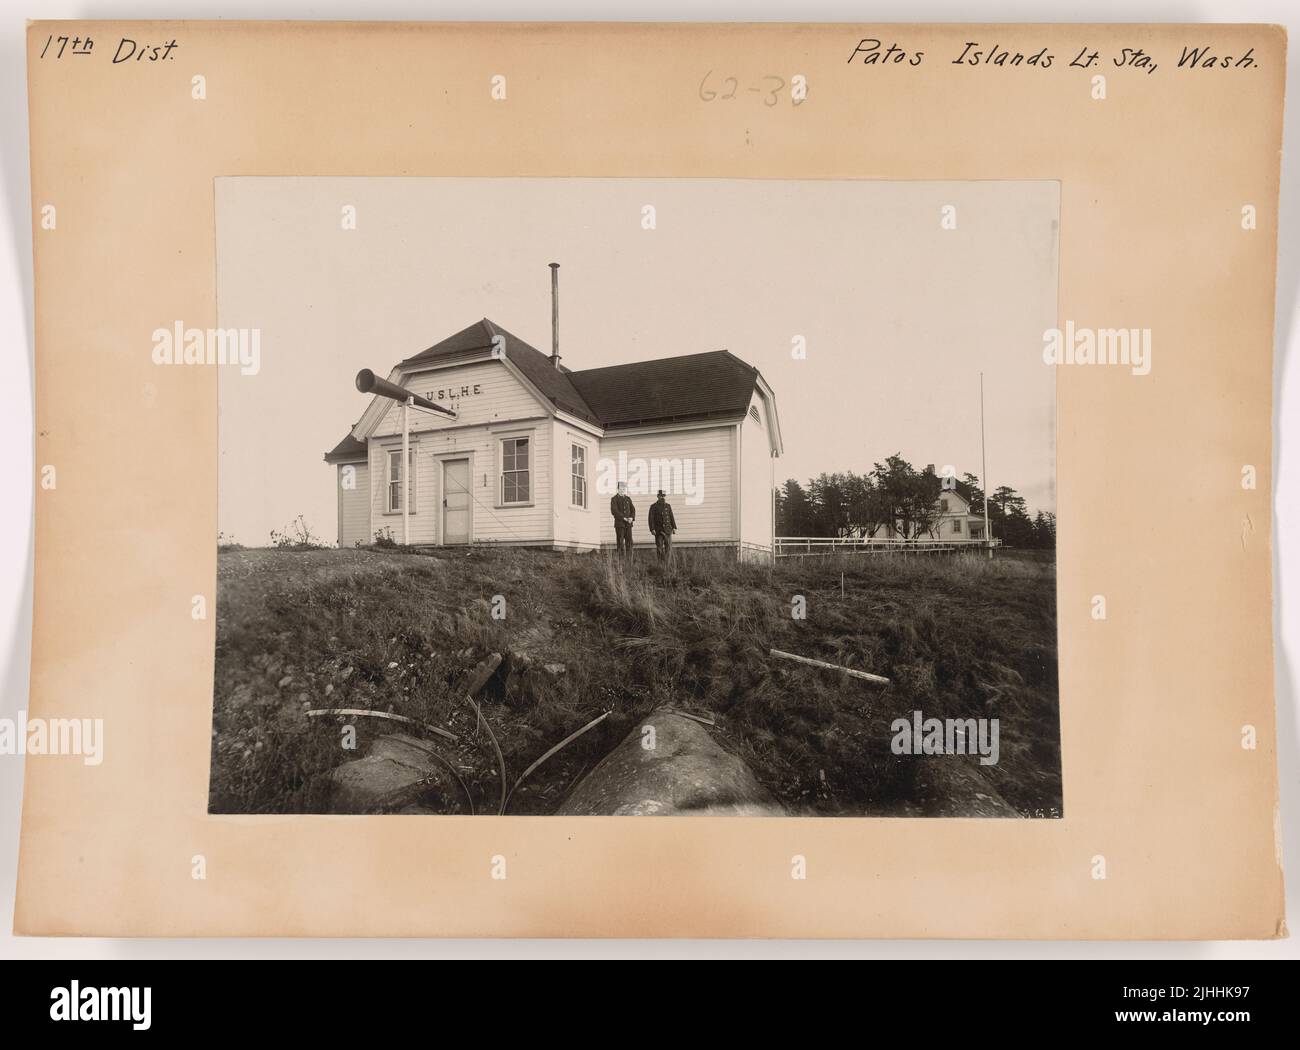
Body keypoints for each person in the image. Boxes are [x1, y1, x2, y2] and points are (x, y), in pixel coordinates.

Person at [648, 489, 677, 563]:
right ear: (658, 496)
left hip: (668, 530)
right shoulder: (653, 506)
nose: (662, 497)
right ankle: (661, 564)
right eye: (661, 496)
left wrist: (673, 527)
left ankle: (667, 563)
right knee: (659, 548)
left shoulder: (668, 506)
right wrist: (652, 529)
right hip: (658, 530)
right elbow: (650, 519)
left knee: (668, 548)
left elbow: (671, 516)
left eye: (664, 496)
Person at [610, 482, 636, 558]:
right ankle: (621, 561)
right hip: (620, 524)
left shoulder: (628, 499)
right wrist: (623, 518)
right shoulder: (614, 499)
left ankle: (629, 561)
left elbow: (633, 509)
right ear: (618, 489)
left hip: (628, 524)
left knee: (629, 542)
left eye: (624, 489)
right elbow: (614, 511)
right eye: (621, 488)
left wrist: (631, 517)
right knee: (620, 543)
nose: (622, 490)